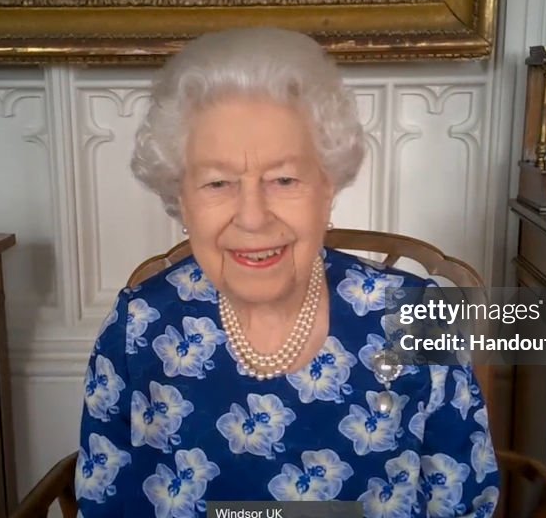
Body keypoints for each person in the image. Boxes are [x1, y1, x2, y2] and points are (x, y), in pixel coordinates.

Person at [74, 27, 499, 518]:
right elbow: (105, 505)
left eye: (283, 179)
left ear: (328, 187)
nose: (253, 217)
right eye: (217, 183)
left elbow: (465, 504)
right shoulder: (138, 330)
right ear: (180, 199)